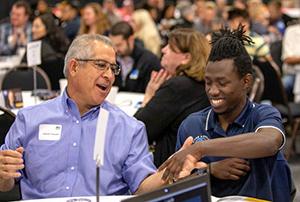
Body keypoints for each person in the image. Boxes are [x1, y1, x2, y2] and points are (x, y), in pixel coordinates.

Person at [0, 34, 205, 199]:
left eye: (113, 68)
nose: (109, 75)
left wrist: (172, 175)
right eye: (101, 65)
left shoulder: (128, 128)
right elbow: (6, 182)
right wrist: (2, 175)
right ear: (74, 67)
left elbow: (141, 186)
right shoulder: (30, 120)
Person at [159, 26, 293, 201]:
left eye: (222, 83)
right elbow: (177, 183)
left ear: (246, 81)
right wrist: (210, 169)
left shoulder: (262, 114)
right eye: (208, 82)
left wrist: (200, 148)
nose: (213, 91)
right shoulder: (192, 124)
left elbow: (268, 142)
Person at [134, 28, 210, 167]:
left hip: (168, 168)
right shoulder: (202, 83)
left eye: (170, 47)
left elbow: (138, 130)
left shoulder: (178, 87)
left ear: (186, 57)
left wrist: (149, 96)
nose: (163, 50)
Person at [109, 21, 161, 93]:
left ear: (130, 40)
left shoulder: (149, 60)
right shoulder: (110, 59)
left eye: (119, 45)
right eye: (113, 45)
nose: (115, 49)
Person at [32, 13, 70, 90]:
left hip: (42, 89)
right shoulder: (61, 42)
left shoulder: (36, 46)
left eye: (37, 27)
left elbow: (23, 69)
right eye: (32, 26)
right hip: (62, 88)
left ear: (47, 28)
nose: (33, 30)